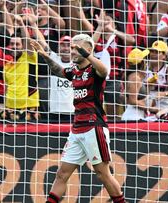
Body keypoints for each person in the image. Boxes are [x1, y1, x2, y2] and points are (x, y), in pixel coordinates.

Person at [30, 34, 125, 203]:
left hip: (94, 127)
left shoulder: (96, 71)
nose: (72, 52)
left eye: (76, 48)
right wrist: (44, 55)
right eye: (72, 48)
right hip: (77, 129)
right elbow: (58, 70)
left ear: (88, 50)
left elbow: (105, 70)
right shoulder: (74, 71)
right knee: (61, 174)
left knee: (103, 174)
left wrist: (88, 55)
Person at [121, 48, 149, 121]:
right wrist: (152, 109)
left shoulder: (132, 75)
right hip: (133, 116)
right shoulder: (135, 78)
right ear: (142, 62)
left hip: (135, 114)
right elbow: (132, 101)